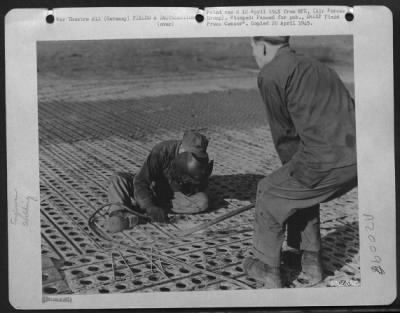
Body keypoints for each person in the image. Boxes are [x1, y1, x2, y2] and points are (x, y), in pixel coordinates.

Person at [243, 36, 357, 288]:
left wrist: (286, 175)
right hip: (359, 160)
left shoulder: (271, 74)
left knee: (269, 192)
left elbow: (285, 137)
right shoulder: (320, 67)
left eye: (253, 49)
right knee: (298, 192)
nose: (255, 55)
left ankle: (267, 268)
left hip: (326, 162)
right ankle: (310, 261)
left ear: (261, 46)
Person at [106, 131, 214, 233]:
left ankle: (143, 212)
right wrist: (149, 206)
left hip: (170, 196)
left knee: (202, 202)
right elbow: (141, 181)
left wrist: (183, 185)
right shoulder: (162, 150)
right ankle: (119, 213)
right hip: (151, 187)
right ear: (182, 149)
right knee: (118, 179)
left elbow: (198, 189)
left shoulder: (199, 161)